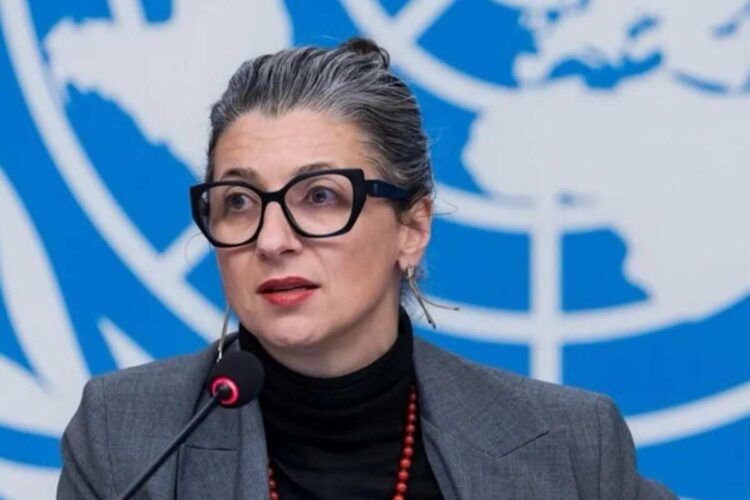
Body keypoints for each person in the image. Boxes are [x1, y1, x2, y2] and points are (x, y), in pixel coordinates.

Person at [57, 38, 675, 499]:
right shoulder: (126, 436)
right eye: (239, 202)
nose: (272, 240)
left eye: (320, 196)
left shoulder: (569, 445)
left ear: (412, 228)